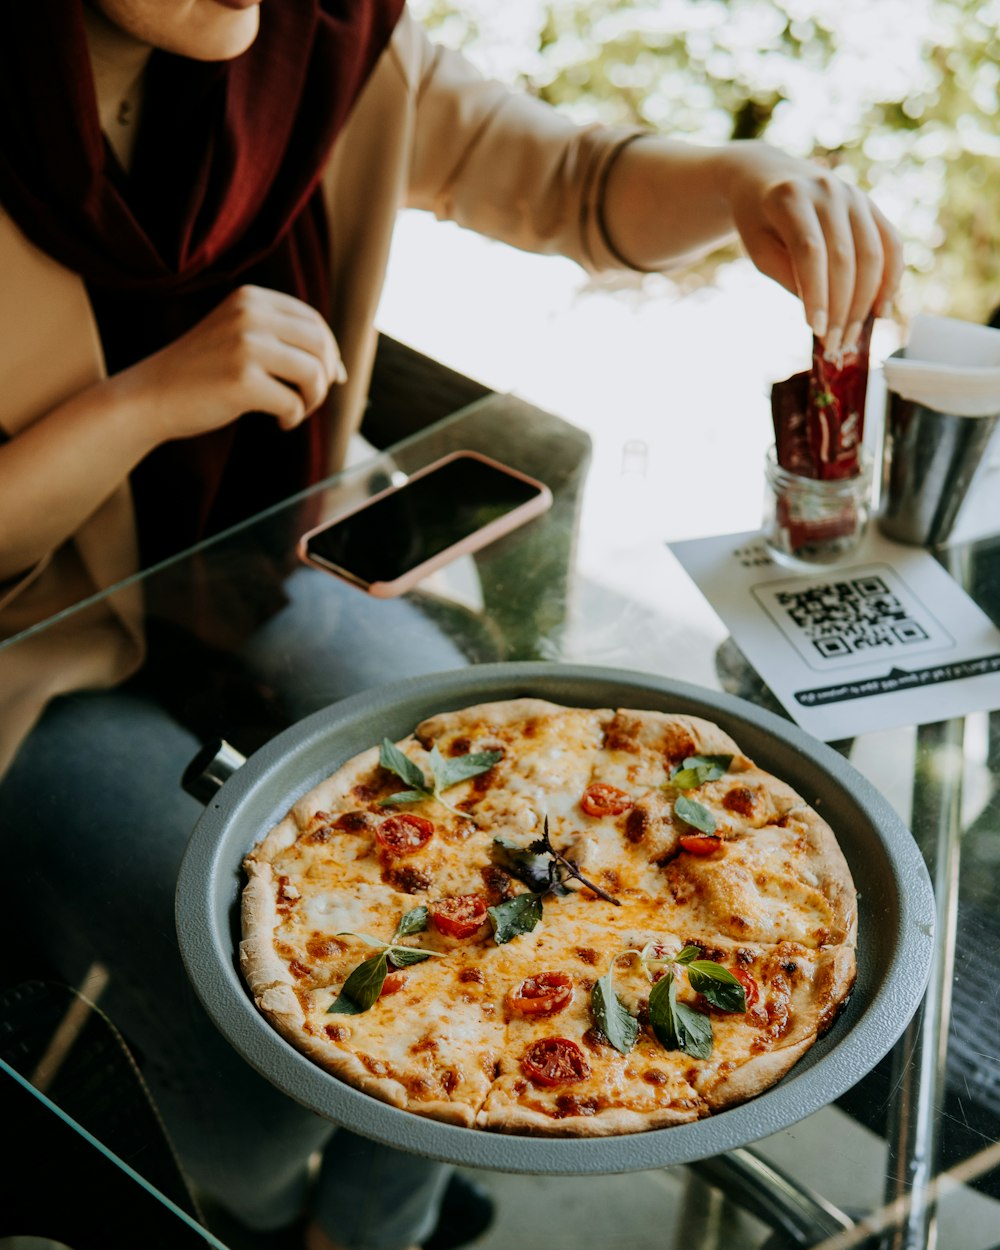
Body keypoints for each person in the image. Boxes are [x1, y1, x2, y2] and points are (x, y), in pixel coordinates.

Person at [0, 2, 903, 1248]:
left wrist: (752, 181)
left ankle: (370, 1225)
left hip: (291, 559)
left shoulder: (314, 34)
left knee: (492, 831)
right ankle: (270, 1209)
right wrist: (142, 404)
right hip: (36, 652)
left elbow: (571, 180)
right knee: (244, 1086)